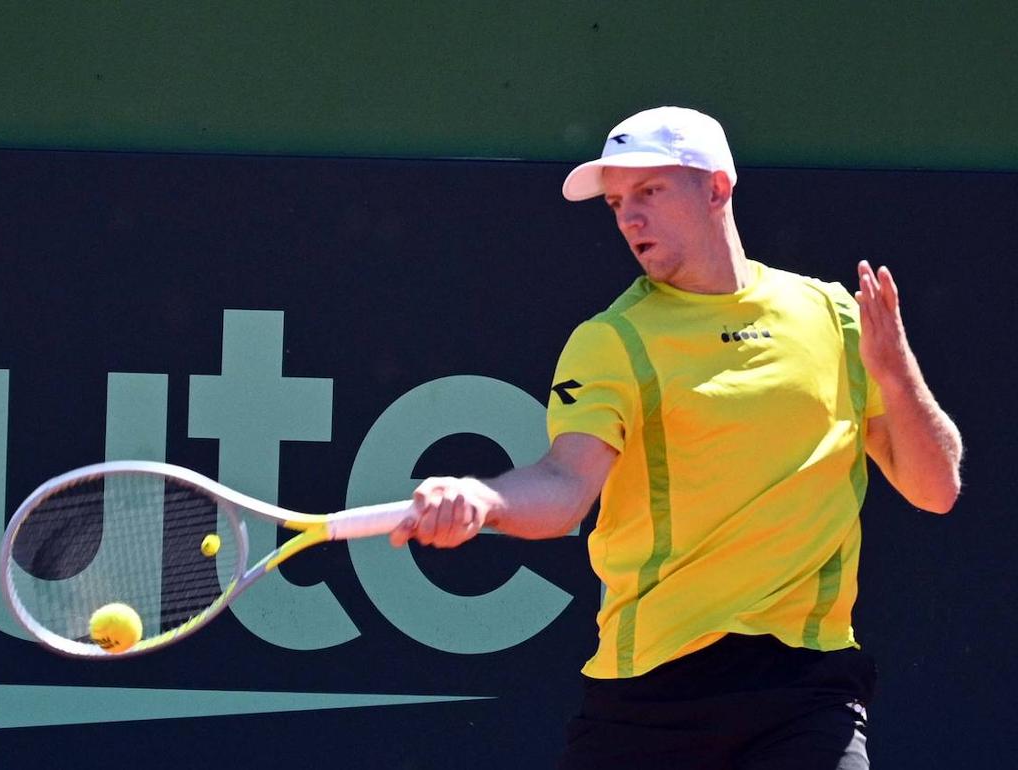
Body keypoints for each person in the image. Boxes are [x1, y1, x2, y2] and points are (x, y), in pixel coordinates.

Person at [390, 106, 963, 769]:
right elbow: (565, 484)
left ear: (718, 186)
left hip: (807, 696)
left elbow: (937, 487)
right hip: (649, 702)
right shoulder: (612, 340)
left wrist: (896, 377)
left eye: (649, 192)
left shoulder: (834, 317)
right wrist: (483, 499)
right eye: (616, 203)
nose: (629, 219)